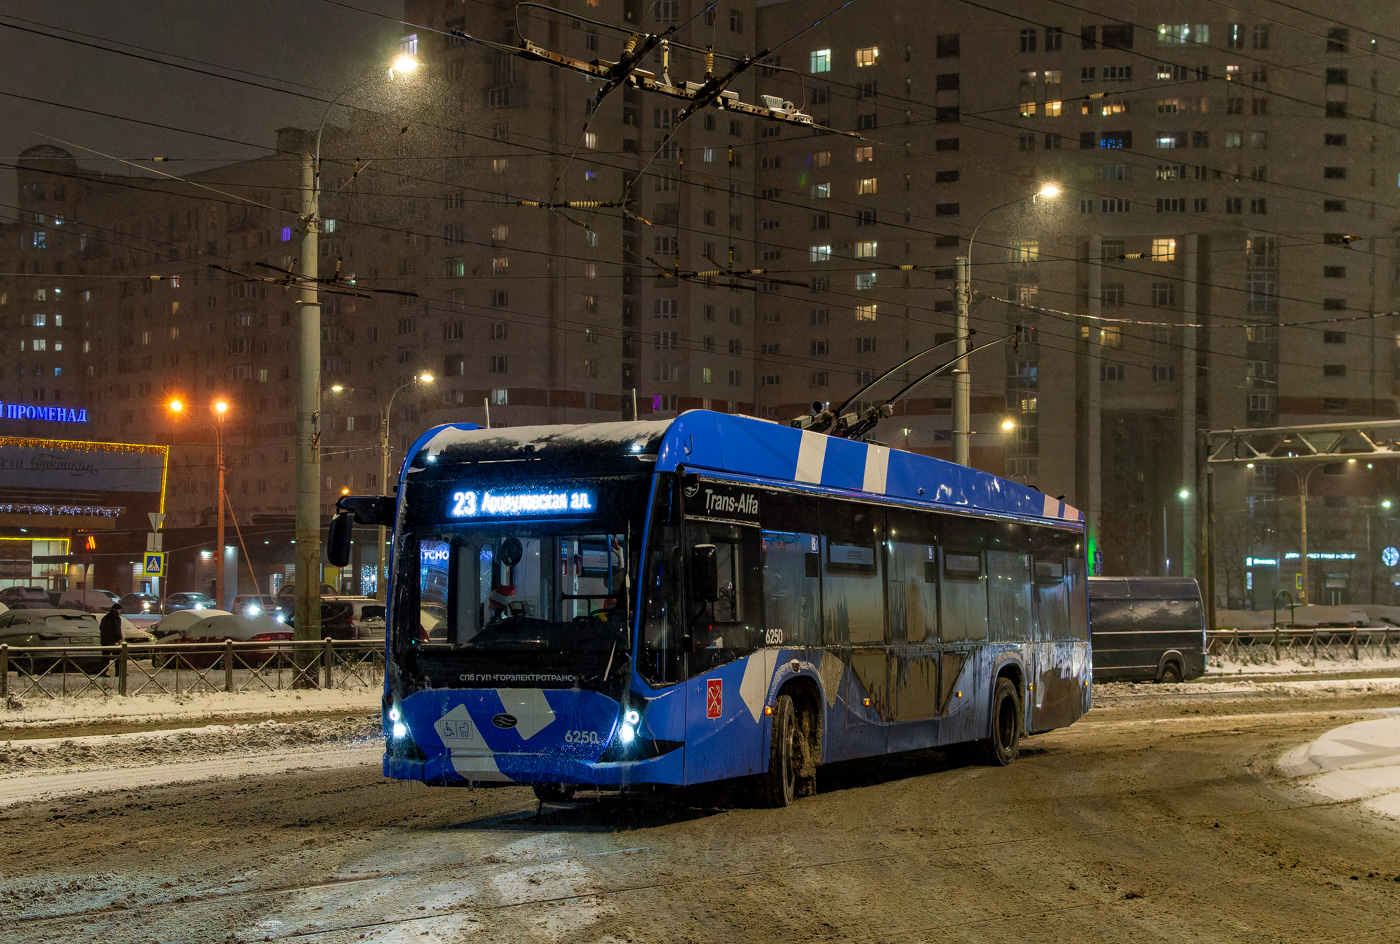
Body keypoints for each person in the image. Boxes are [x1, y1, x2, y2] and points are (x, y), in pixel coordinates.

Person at [99, 602, 123, 677]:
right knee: (118, 657)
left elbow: (101, 628)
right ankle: (119, 673)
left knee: (105, 657)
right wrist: (119, 639)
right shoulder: (116, 618)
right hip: (113, 641)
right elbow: (117, 629)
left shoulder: (105, 617)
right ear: (118, 610)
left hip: (105, 640)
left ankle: (103, 672)